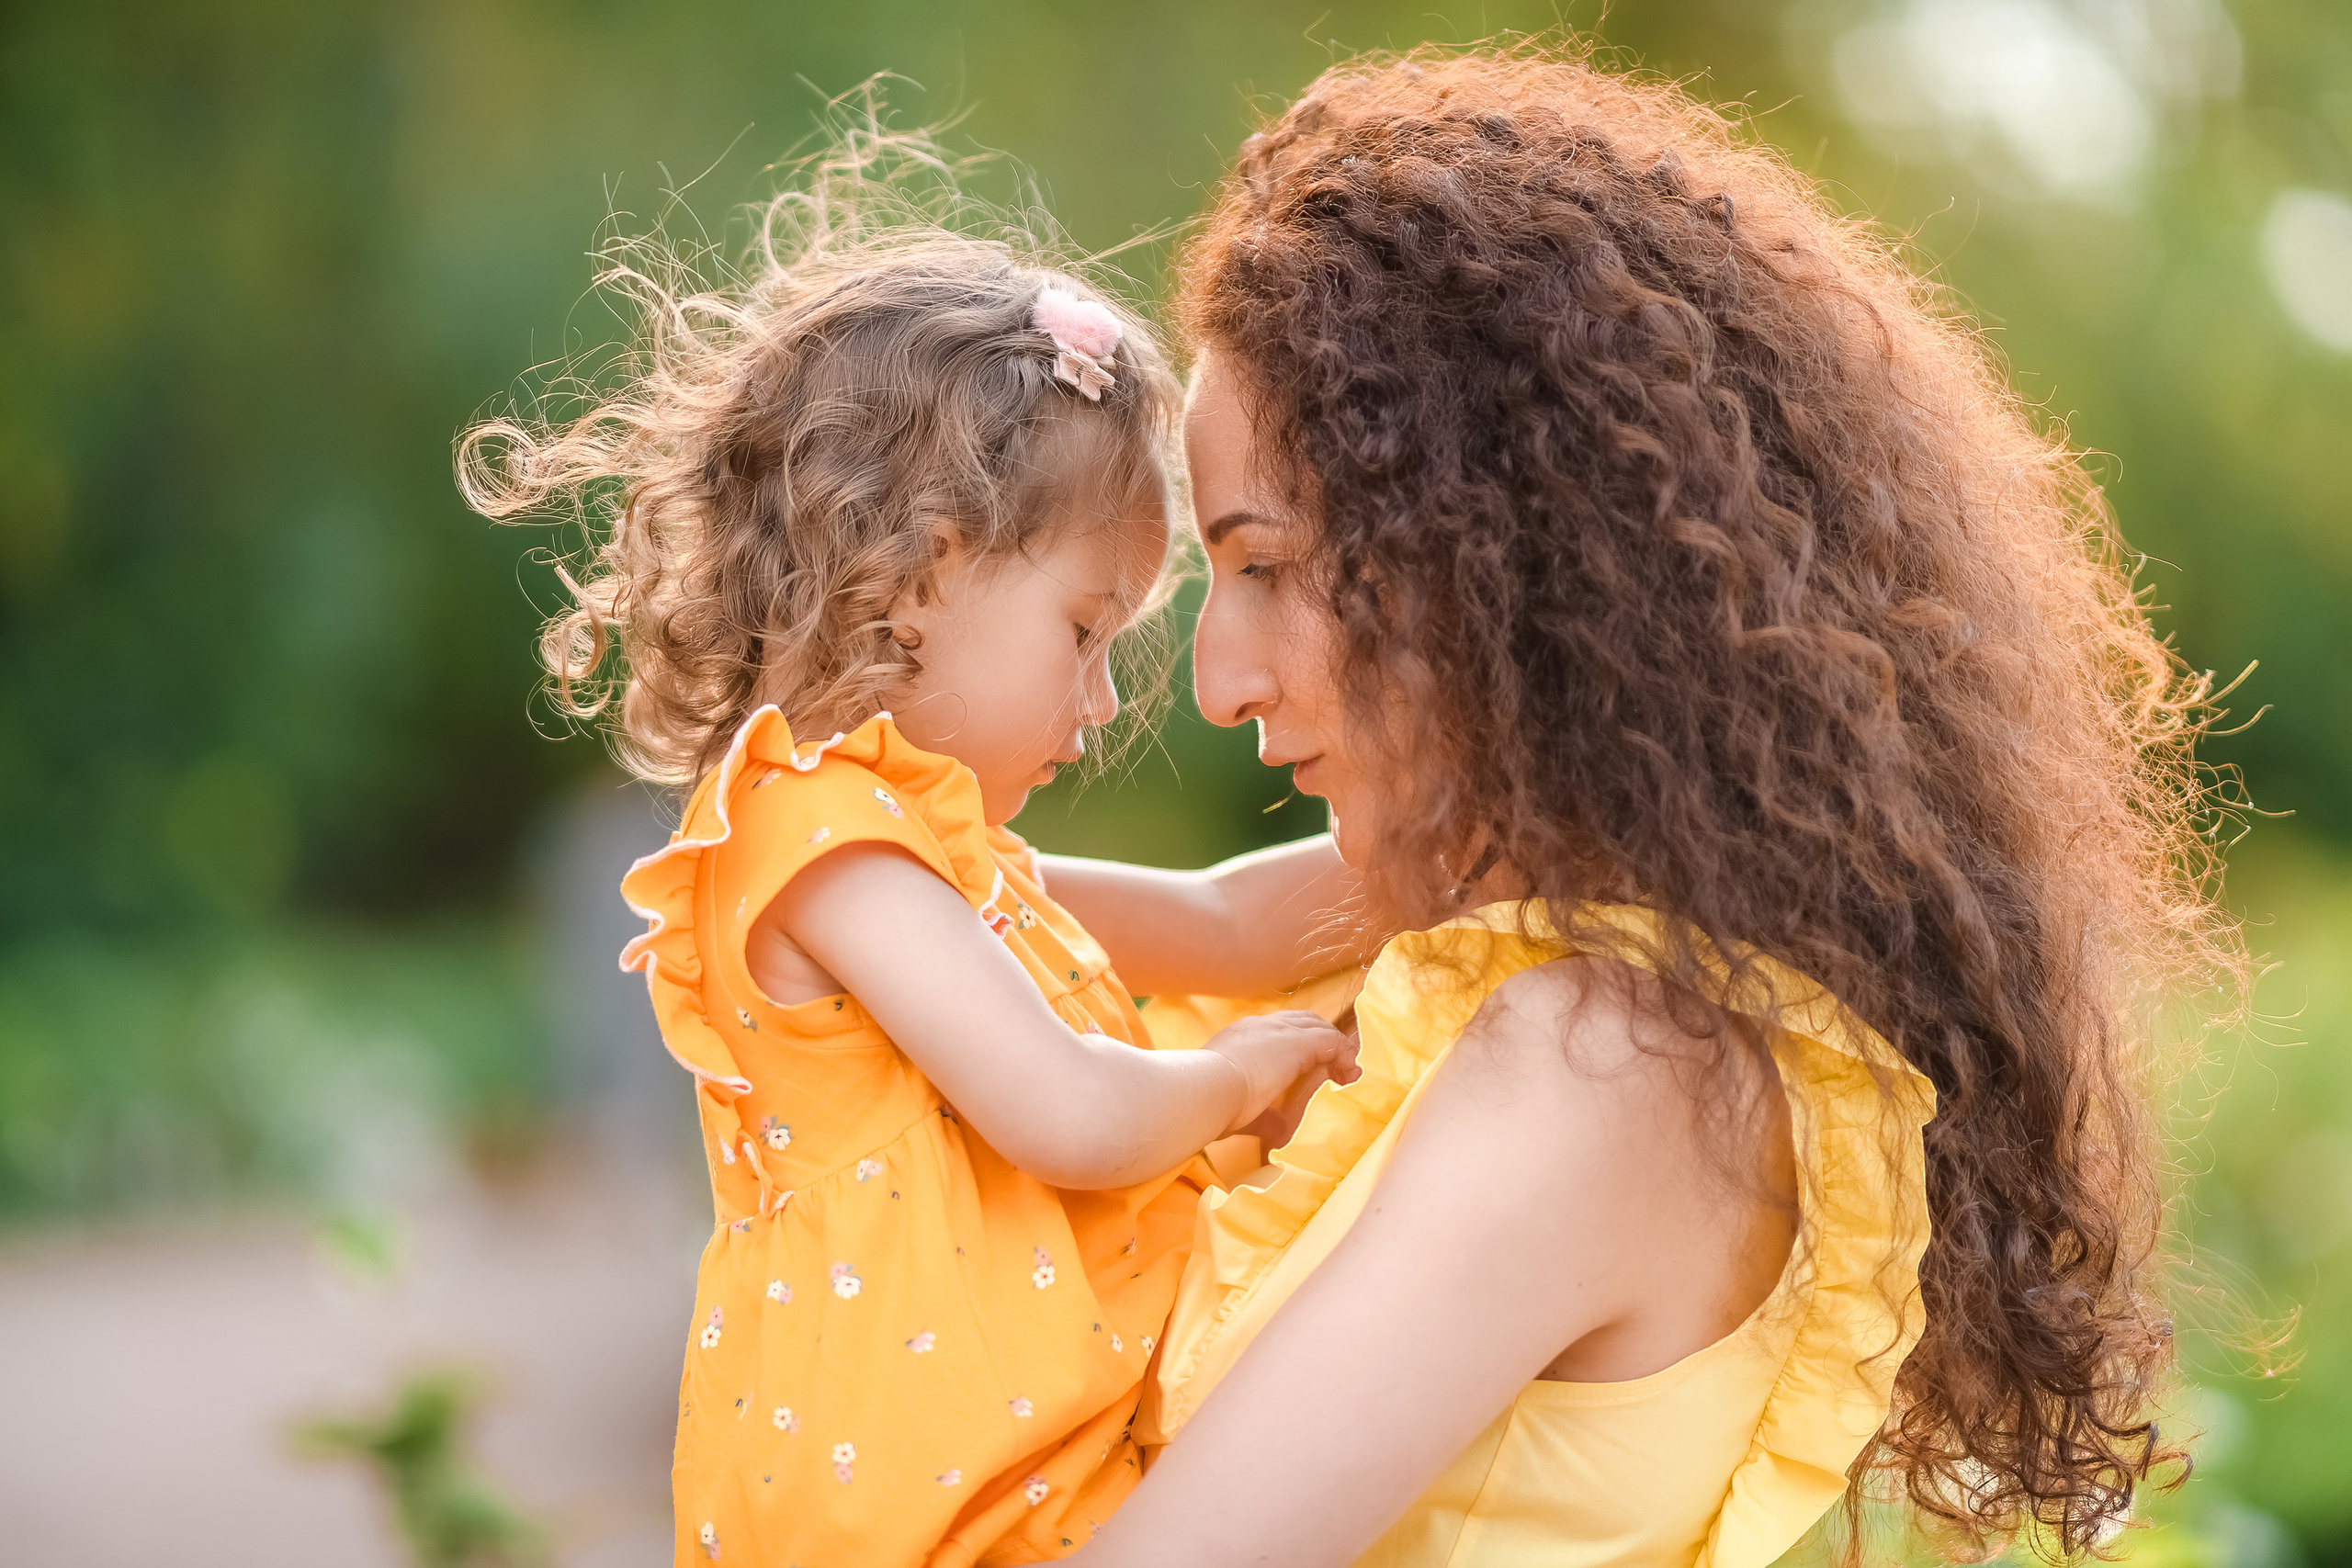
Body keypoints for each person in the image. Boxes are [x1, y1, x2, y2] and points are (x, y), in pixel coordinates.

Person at [1047, 45, 2238, 1568]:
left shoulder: (1601, 1061)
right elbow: (1134, 916)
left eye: (1267, 564)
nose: (1220, 677)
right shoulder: (1555, 971)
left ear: (1497, 549)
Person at [458, 143, 1363, 1567]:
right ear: (921, 575)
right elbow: (1067, 1110)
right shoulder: (825, 851)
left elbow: (1227, 924)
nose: (1108, 699)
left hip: (1001, 1467)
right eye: (1086, 632)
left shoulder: (928, 863)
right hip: (915, 1500)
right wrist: (1238, 1078)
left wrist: (1495, 842)